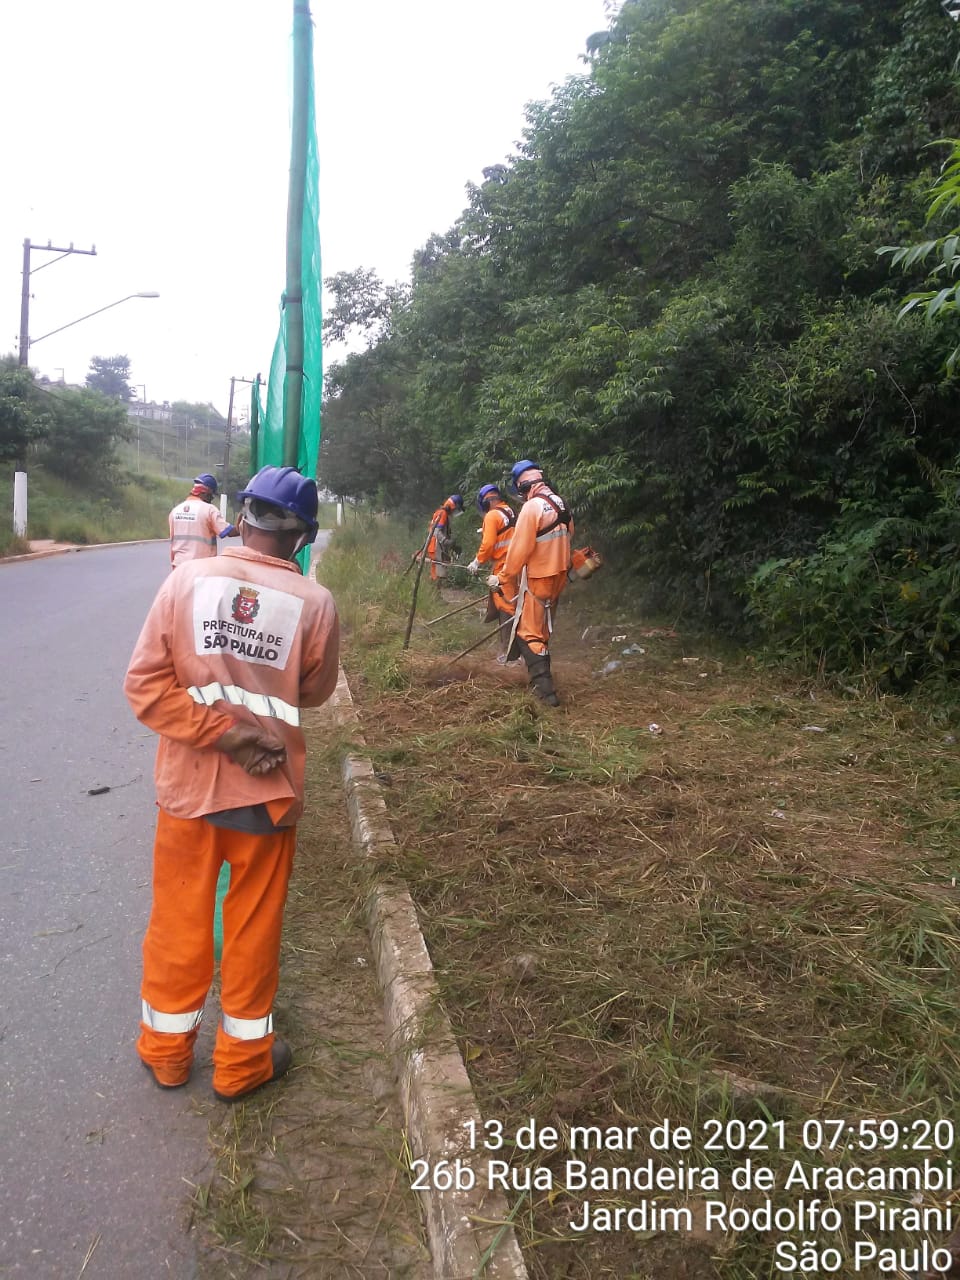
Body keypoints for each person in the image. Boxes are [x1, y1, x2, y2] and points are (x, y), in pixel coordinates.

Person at [124, 466, 340, 1104]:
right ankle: (242, 1067)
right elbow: (317, 693)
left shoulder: (185, 580)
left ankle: (166, 1055)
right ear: (302, 538)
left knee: (178, 921)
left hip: (188, 792)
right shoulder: (316, 604)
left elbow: (145, 688)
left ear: (240, 517)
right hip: (266, 795)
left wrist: (217, 731)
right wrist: (250, 723)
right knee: (252, 926)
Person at [491, 460, 573, 706]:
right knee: (543, 629)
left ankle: (546, 694)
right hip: (559, 576)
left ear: (522, 486)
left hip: (539, 578)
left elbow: (520, 549)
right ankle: (540, 680)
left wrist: (503, 577)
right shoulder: (561, 503)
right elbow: (569, 536)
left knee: (528, 633)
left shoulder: (531, 508)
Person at [467, 483, 517, 662]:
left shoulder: (491, 516)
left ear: (486, 503)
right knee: (512, 604)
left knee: (506, 607)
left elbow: (488, 545)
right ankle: (509, 650)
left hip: (503, 567)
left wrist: (477, 562)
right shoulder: (509, 511)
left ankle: (509, 653)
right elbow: (505, 534)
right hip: (516, 564)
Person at [168, 473, 238, 568]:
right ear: (206, 493)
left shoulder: (175, 511)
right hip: (201, 568)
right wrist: (245, 527)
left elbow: (172, 542)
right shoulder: (209, 510)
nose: (211, 499)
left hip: (179, 566)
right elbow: (228, 531)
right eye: (211, 496)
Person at [422, 494, 464, 583]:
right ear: (453, 506)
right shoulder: (443, 513)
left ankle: (435, 594)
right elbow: (436, 532)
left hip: (437, 546)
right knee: (437, 574)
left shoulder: (442, 513)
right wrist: (447, 542)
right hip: (435, 546)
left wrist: (453, 546)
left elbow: (444, 533)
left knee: (438, 573)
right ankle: (434, 594)